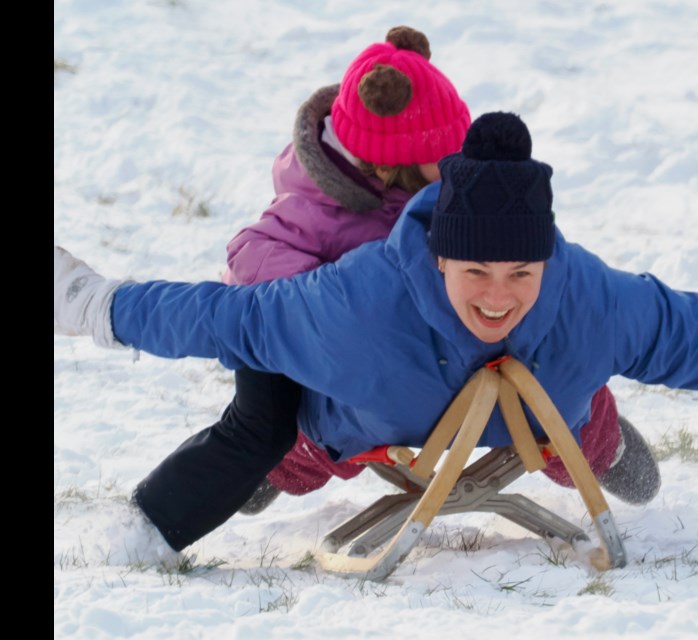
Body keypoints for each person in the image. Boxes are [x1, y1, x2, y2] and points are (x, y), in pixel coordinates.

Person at [53, 112, 698, 563]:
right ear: (437, 255)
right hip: (365, 417)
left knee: (578, 414)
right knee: (300, 439)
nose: (498, 297)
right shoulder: (354, 305)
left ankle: (597, 432)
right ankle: (281, 469)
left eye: (520, 275)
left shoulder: (590, 301)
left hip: (541, 414)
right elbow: (216, 316)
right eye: (476, 274)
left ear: (547, 264)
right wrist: (94, 301)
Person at [84, 29, 646, 560]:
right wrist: (322, 307)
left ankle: (601, 445)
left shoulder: (452, 193)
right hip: (377, 370)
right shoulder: (317, 214)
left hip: (484, 343)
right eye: (444, 153)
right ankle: (277, 468)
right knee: (324, 416)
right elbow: (258, 260)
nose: (457, 164)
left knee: (559, 380)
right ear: (393, 164)